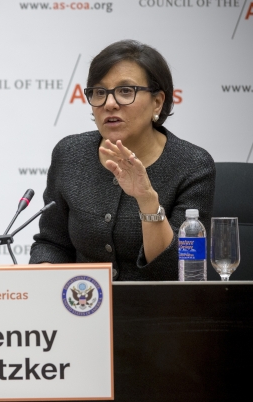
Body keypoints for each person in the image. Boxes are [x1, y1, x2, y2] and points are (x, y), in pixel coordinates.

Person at [29, 40, 215, 281]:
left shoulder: (192, 165)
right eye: (99, 92)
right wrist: (41, 288)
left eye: (126, 91)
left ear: (157, 102)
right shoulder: (70, 154)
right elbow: (52, 243)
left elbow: (177, 270)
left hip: (158, 313)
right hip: (82, 307)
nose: (109, 104)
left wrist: (147, 199)